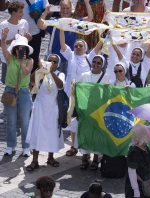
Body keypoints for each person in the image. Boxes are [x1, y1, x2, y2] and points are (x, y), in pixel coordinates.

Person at [59, 28, 104, 158]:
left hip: (85, 95)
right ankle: (73, 146)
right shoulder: (70, 55)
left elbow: (98, 45)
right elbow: (62, 43)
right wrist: (62, 28)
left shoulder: (89, 58)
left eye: (81, 46)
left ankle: (87, 146)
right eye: (76, 45)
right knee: (73, 120)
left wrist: (104, 33)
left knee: (84, 120)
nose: (78, 47)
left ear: (85, 48)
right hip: (71, 93)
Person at [25, 54, 65, 171]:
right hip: (39, 107)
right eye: (50, 60)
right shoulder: (40, 72)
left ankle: (51, 158)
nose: (52, 62)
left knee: (52, 132)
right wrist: (40, 69)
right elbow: (31, 80)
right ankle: (35, 160)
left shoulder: (59, 74)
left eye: (55, 61)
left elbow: (60, 85)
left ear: (58, 64)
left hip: (53, 107)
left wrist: (51, 71)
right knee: (37, 132)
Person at [37, 0, 93, 75]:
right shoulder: (54, 22)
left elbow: (90, 18)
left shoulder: (74, 23)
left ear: (71, 9)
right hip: (55, 60)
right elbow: (40, 25)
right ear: (59, 9)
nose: (65, 10)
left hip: (70, 59)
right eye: (63, 8)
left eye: (67, 8)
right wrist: (45, 13)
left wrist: (87, 3)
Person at [74, 54, 110, 170]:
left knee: (97, 134)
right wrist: (74, 84)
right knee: (86, 133)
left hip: (99, 111)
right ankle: (85, 157)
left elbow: (109, 95)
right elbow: (77, 90)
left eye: (99, 63)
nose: (95, 64)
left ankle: (95, 158)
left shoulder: (106, 77)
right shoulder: (84, 75)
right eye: (94, 62)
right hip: (86, 110)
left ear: (102, 65)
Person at [1, 29, 33, 156]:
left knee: (25, 122)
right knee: (11, 121)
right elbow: (3, 48)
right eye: (19, 48)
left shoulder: (29, 61)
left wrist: (21, 62)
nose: (21, 50)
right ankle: (10, 145)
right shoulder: (9, 58)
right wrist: (3, 39)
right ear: (14, 49)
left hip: (24, 92)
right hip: (10, 91)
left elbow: (26, 72)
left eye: (23, 48)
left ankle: (26, 147)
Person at [5, 0, 49, 73]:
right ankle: (16, 81)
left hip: (35, 33)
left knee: (33, 61)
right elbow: (6, 6)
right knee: (17, 60)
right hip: (19, 35)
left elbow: (48, 12)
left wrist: (38, 15)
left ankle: (31, 82)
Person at [0, 1, 31, 84]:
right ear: (13, 13)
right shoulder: (3, 25)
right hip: (8, 59)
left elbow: (26, 41)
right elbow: (1, 43)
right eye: (20, 11)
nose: (23, 13)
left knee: (20, 82)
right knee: (7, 82)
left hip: (21, 58)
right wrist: (13, 40)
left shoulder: (24, 23)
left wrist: (29, 38)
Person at [125, 124, 150, 198]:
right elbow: (131, 172)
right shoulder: (134, 151)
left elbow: (148, 163)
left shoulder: (145, 146)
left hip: (149, 184)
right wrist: (136, 190)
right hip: (139, 186)